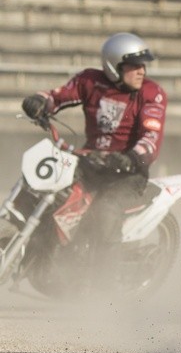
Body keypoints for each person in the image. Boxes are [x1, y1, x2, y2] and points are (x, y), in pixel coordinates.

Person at [21, 32, 166, 284]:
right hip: (89, 163)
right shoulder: (90, 81)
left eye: (143, 65)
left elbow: (151, 138)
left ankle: (104, 289)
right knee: (44, 191)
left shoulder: (152, 93)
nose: (141, 71)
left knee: (105, 211)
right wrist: (39, 101)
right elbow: (57, 96)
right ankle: (41, 260)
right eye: (133, 66)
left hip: (128, 173)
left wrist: (130, 157)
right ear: (113, 66)